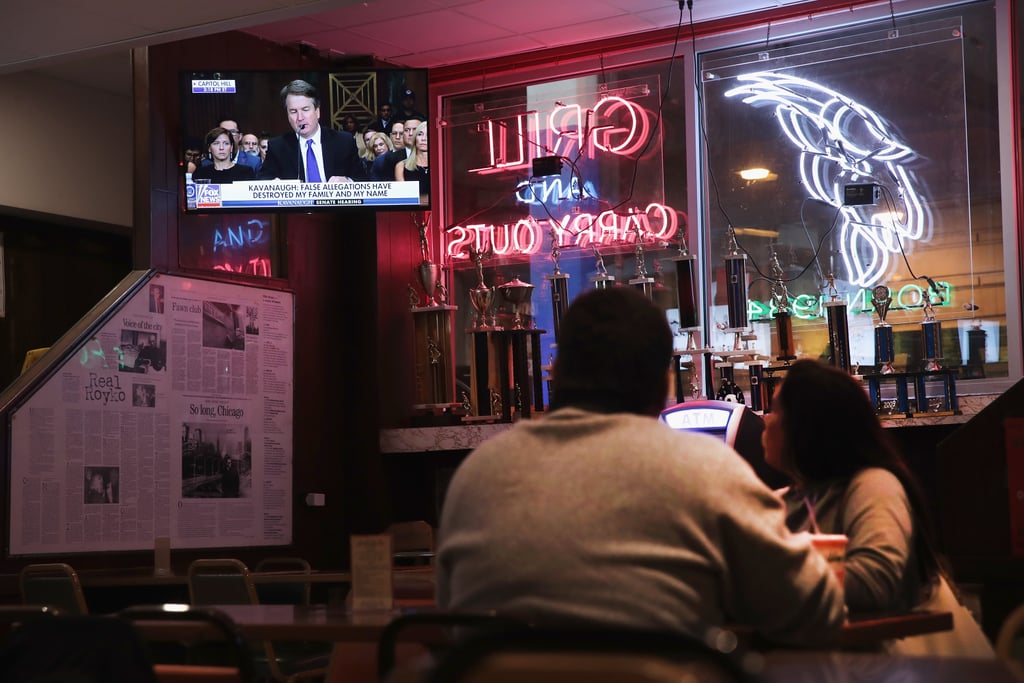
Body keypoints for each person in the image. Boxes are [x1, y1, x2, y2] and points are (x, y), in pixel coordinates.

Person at [436, 286, 846, 647]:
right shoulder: (705, 469)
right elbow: (814, 611)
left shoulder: (477, 474)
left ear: (556, 373)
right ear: (664, 385)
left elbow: (450, 623)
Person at [762, 359, 995, 657]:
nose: (767, 420)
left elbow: (875, 582)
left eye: (777, 412)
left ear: (808, 427)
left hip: (895, 664)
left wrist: (764, 580)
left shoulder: (873, 485)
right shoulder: (782, 500)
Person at [258, 79, 366, 183]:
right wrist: (272, 184)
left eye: (305, 110)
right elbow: (263, 182)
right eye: (293, 111)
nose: (300, 117)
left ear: (317, 111)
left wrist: (348, 182)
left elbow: (363, 179)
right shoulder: (277, 147)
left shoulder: (343, 141)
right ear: (287, 115)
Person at [190, 127, 257, 184]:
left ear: (231, 148)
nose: (221, 148)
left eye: (226, 143)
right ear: (209, 148)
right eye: (216, 143)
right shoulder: (201, 173)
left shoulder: (246, 172)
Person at [395, 121, 428, 200]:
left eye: (428, 134)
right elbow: (405, 199)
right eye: (420, 134)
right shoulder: (401, 166)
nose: (423, 139)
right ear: (415, 138)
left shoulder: (441, 166)